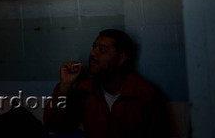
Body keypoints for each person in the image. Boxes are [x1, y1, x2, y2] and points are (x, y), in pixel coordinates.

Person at [43, 29, 171, 138]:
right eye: (94, 47)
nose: (92, 53)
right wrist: (64, 86)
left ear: (121, 59)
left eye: (102, 50)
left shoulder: (146, 95)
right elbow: (53, 125)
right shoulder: (86, 90)